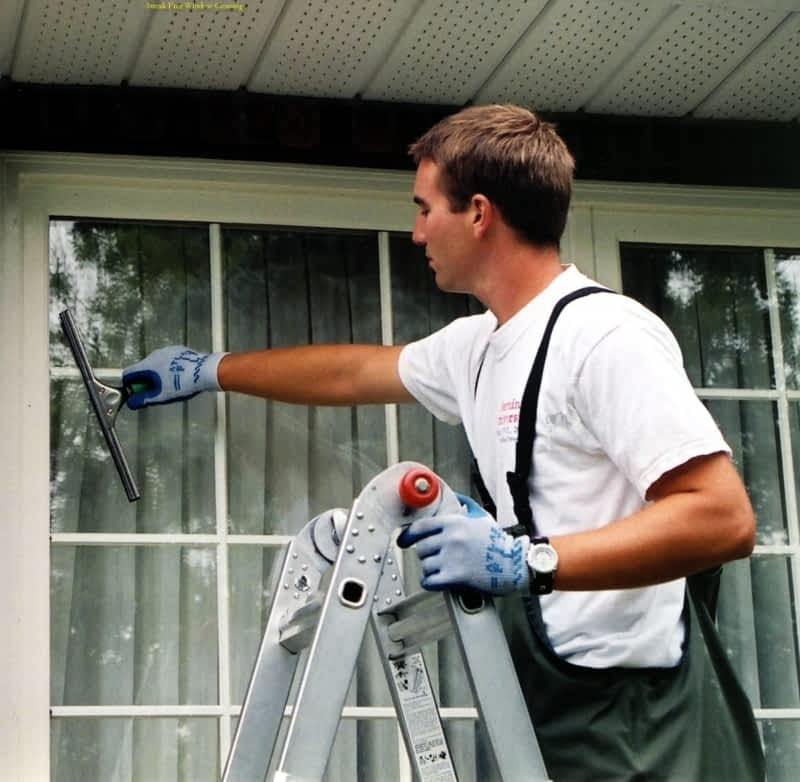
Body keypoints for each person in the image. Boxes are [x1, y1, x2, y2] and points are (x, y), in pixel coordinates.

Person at [123, 104, 764, 780]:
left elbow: (721, 516)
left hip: (642, 722)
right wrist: (210, 370)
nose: (415, 231)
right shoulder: (479, 348)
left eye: (426, 208)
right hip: (547, 709)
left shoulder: (604, 337)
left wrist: (528, 561)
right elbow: (352, 371)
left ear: (480, 213)